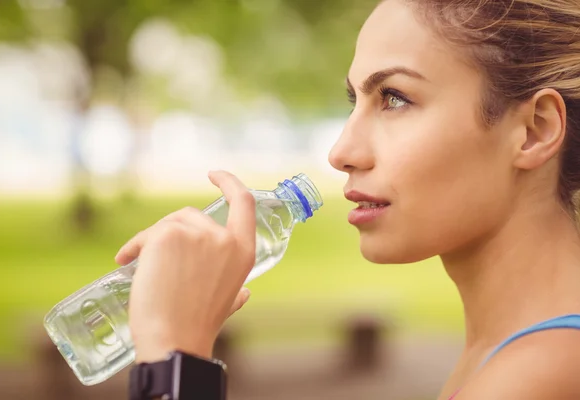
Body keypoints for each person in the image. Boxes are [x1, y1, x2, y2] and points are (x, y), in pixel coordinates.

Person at [121, 1, 580, 399]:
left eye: (395, 98)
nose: (342, 153)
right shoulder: (514, 351)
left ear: (534, 129)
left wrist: (172, 353)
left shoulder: (546, 371)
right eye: (354, 100)